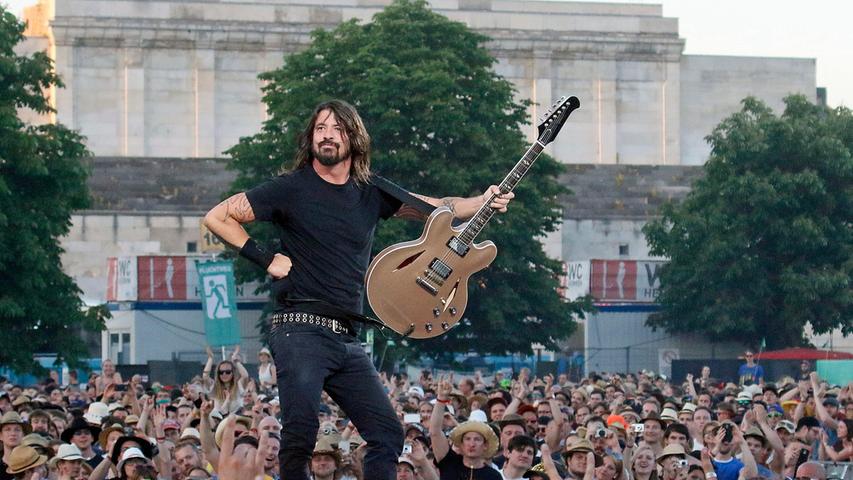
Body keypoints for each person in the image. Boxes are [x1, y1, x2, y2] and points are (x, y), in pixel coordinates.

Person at [203, 99, 513, 480]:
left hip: (347, 338)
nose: (327, 135)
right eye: (320, 128)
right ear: (310, 138)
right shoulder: (290, 187)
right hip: (299, 328)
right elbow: (218, 216)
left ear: (354, 138)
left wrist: (483, 201)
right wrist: (265, 257)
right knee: (301, 432)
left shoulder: (369, 191)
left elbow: (437, 208)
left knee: (387, 433)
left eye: (336, 129)